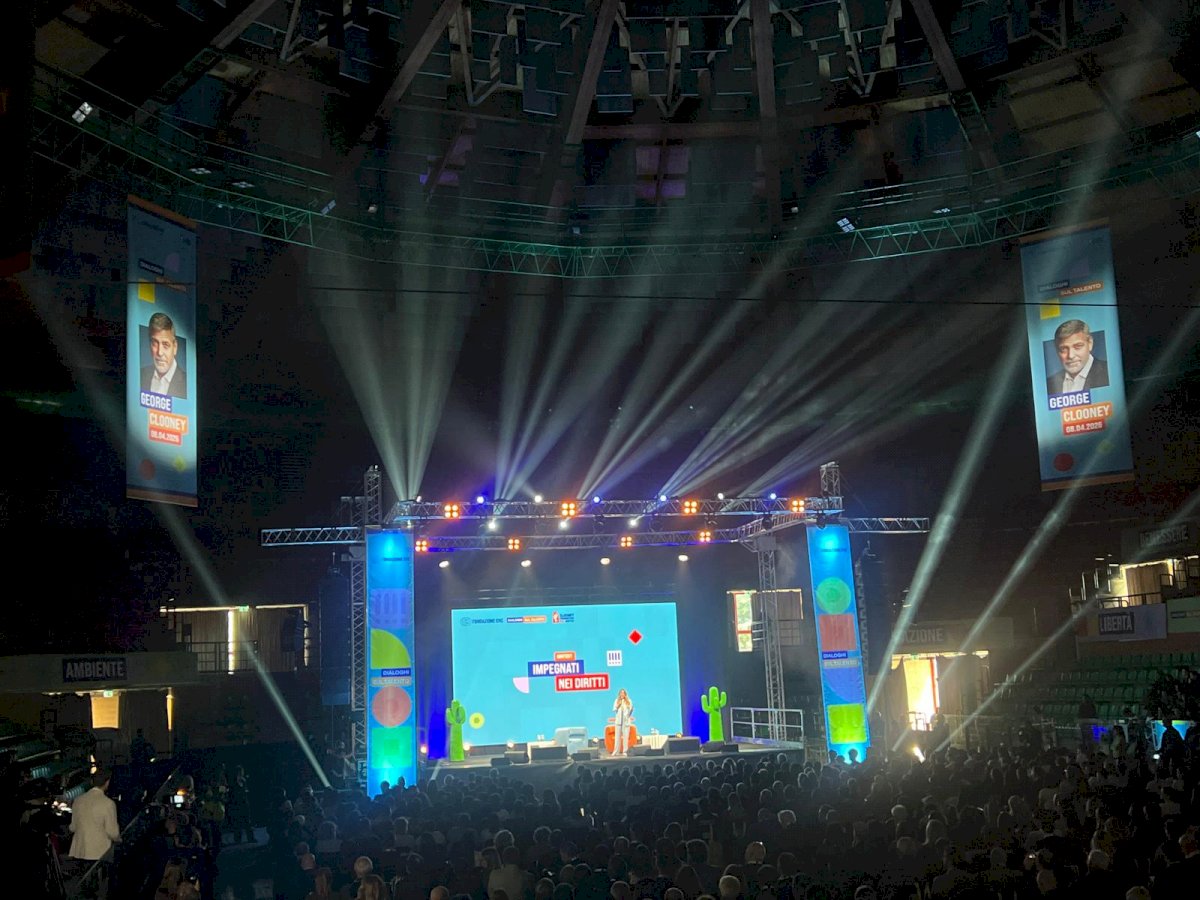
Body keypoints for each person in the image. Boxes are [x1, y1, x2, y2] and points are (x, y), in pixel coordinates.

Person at [69, 769, 121, 899]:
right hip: (99, 852)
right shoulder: (108, 803)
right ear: (107, 782)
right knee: (99, 888)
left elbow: (73, 827)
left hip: (80, 849)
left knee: (84, 886)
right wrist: (119, 839)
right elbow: (112, 832)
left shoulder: (78, 800)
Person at [1046, 319, 1110, 394]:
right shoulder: (1049, 384)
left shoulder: (1109, 372)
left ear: (1090, 343)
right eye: (1063, 349)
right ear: (1057, 350)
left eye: (1078, 346)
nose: (1071, 356)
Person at [140, 311, 188, 398]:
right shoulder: (140, 375)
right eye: (155, 343)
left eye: (165, 345)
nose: (160, 352)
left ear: (175, 347)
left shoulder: (188, 383)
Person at [612, 689, 633, 757]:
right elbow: (614, 709)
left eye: (623, 693)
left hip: (626, 721)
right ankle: (616, 751)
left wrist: (629, 710)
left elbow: (630, 710)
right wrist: (618, 705)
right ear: (619, 694)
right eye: (621, 693)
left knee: (625, 737)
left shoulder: (629, 701)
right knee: (617, 737)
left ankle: (625, 751)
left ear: (625, 694)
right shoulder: (617, 700)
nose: (622, 694)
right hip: (618, 721)